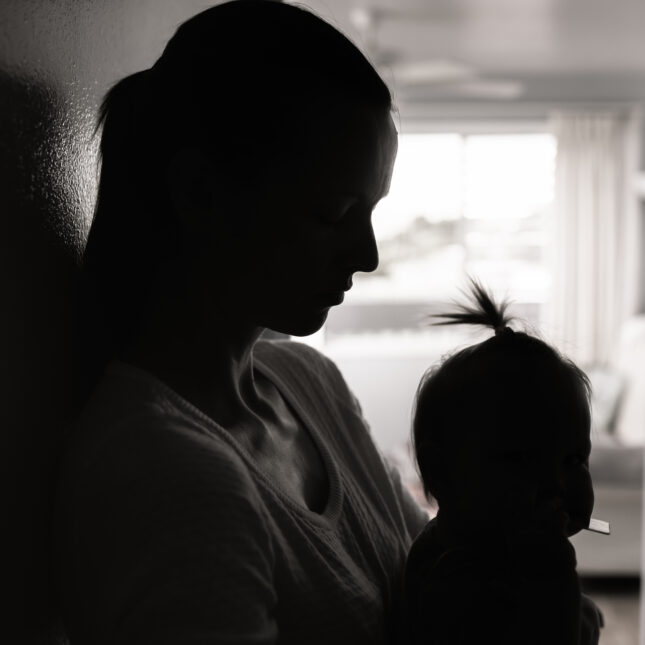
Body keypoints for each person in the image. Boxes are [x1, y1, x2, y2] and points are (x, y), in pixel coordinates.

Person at [52, 2, 429, 644]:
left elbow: (436, 570)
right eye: (333, 212)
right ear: (201, 195)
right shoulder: (166, 476)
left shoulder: (311, 383)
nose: (366, 256)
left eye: (370, 212)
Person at [404, 280, 603, 644]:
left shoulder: (503, 552)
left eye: (574, 459)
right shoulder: (456, 575)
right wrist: (556, 580)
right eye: (521, 460)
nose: (556, 484)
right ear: (442, 472)